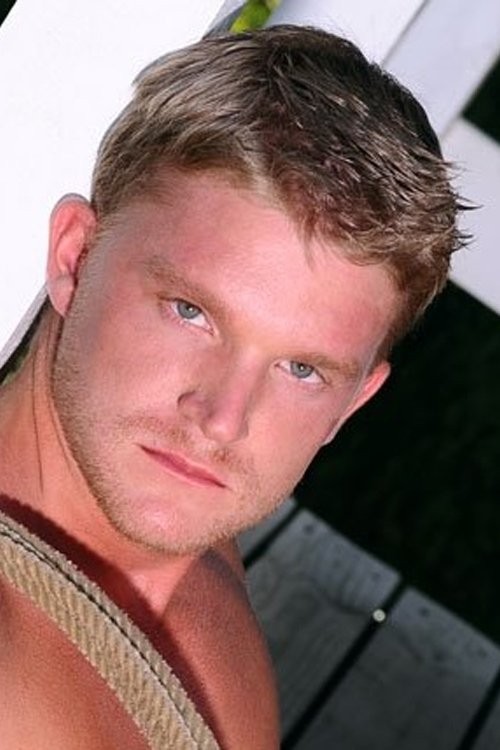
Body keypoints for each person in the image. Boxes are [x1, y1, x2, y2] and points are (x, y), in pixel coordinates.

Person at [0, 24, 464, 749]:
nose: (222, 420)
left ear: (353, 402)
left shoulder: (200, 576)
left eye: (300, 369)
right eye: (192, 313)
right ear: (76, 257)